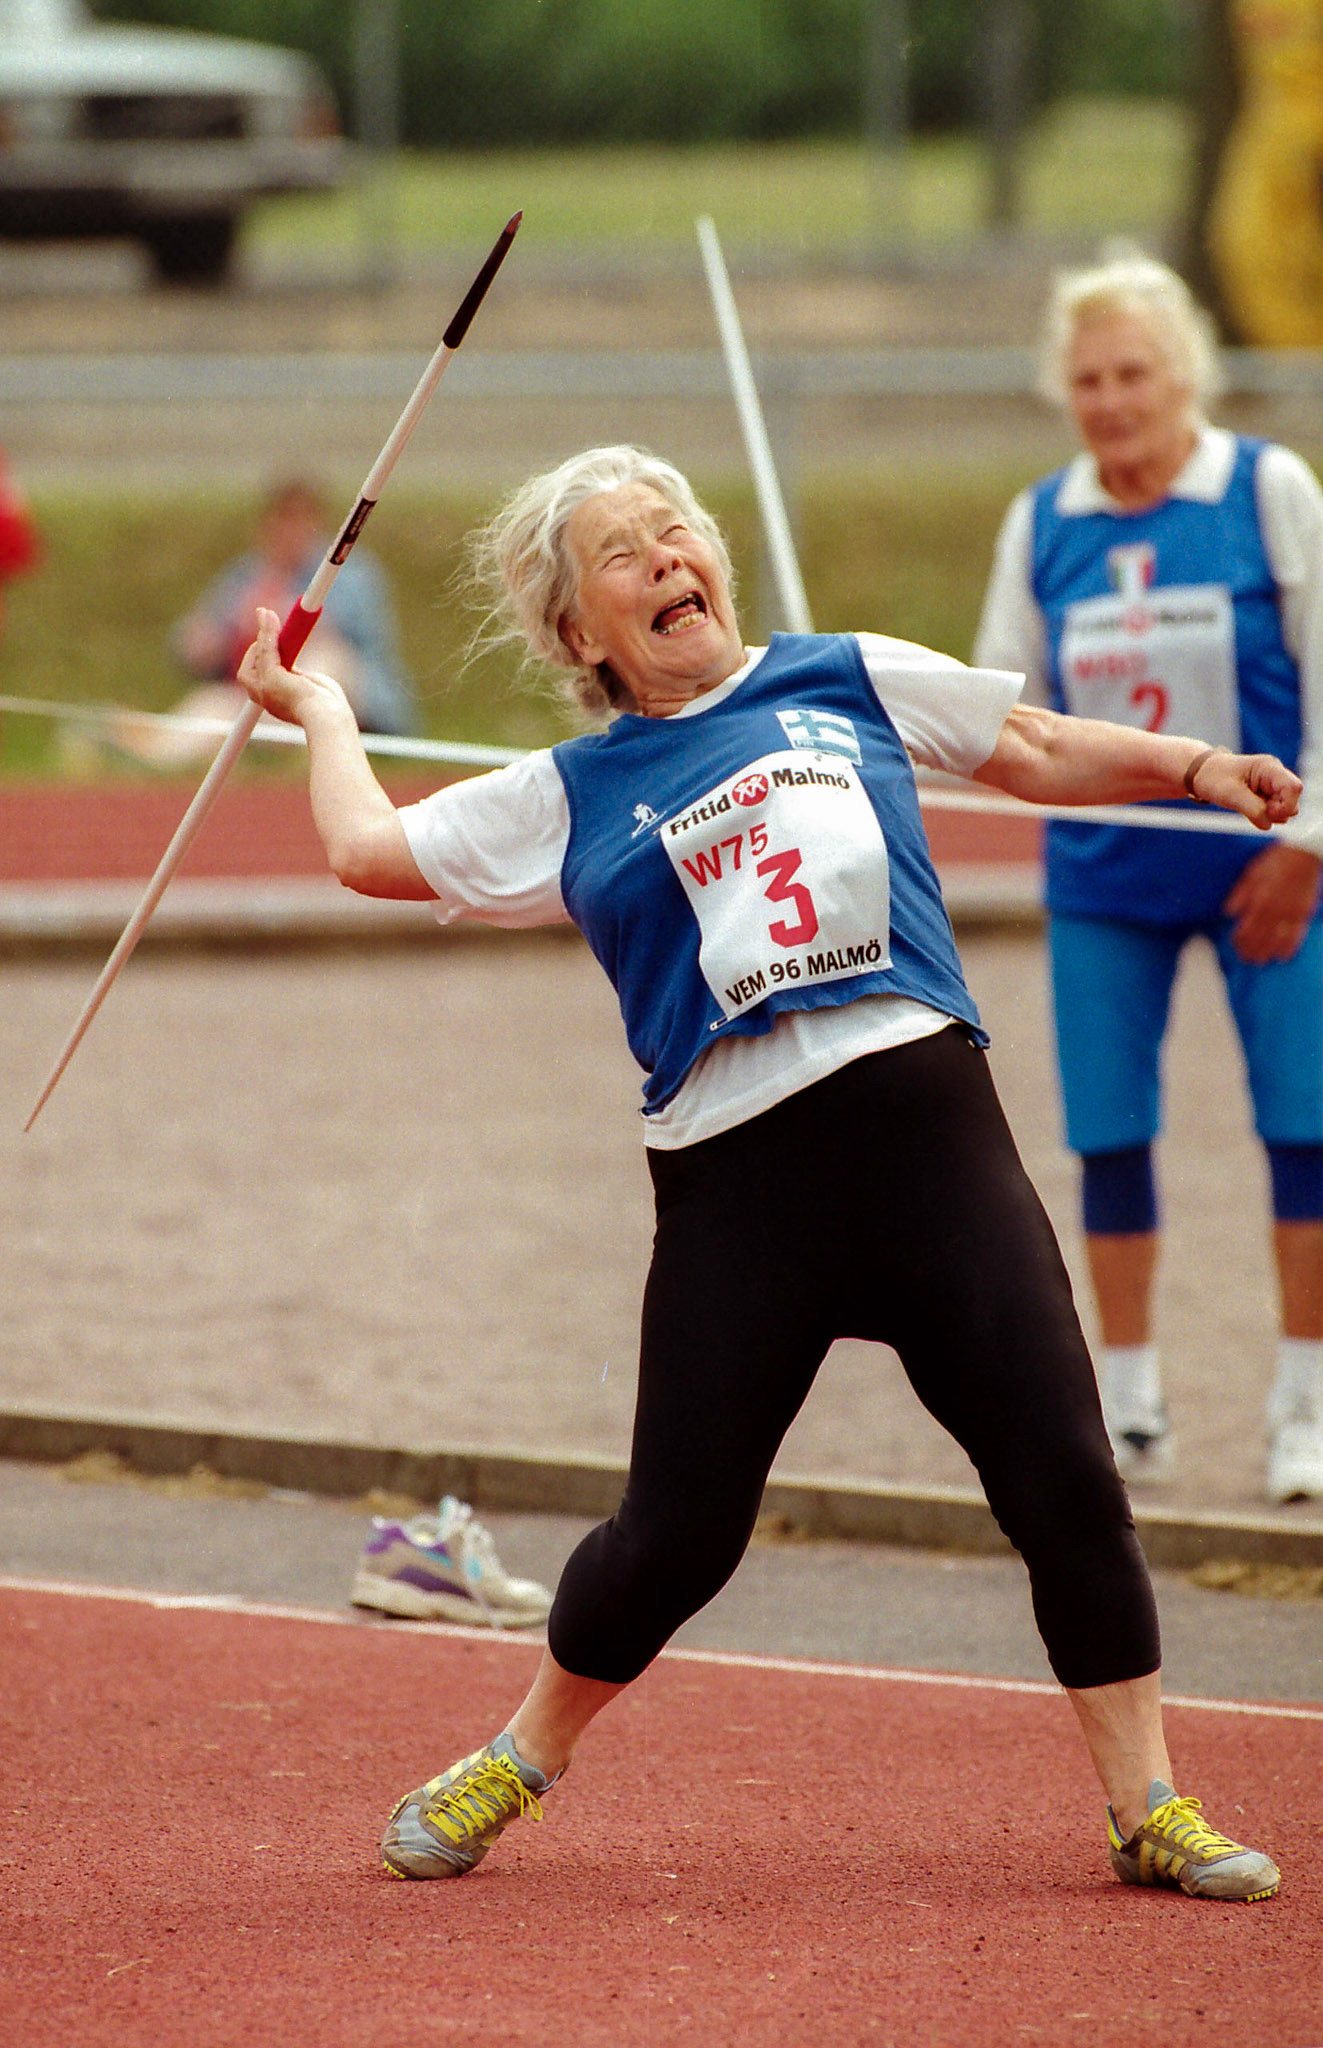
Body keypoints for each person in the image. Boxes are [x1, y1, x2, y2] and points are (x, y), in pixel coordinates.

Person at [239, 444, 1296, 1902]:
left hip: (933, 1150)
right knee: (673, 1537)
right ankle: (520, 1756)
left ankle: (1145, 1807)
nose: (666, 553)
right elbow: (364, 849)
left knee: (1062, 1476)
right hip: (736, 1193)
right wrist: (321, 709)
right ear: (578, 633)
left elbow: (1035, 748)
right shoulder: (567, 789)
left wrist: (1189, 766)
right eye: (623, 550)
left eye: (677, 530)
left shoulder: (840, 674)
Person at [974, 252, 1323, 1506]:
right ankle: (1128, 1405)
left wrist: (1305, 847)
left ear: (1185, 375)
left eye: (1133, 373)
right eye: (1087, 380)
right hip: (1108, 874)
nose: (1111, 400)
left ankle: (1305, 1403)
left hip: (1268, 871)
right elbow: (1002, 704)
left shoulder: (1269, 491)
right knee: (1107, 1135)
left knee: (1305, 1127)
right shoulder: (1045, 520)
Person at [116, 477, 414, 768]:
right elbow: (193, 642)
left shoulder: (351, 573)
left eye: (299, 521)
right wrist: (205, 640)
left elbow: (362, 644)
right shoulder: (247, 574)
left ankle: (292, 751)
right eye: (281, 521)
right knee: (211, 705)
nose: (289, 532)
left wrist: (288, 619)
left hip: (342, 697)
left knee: (323, 664)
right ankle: (142, 754)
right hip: (256, 695)